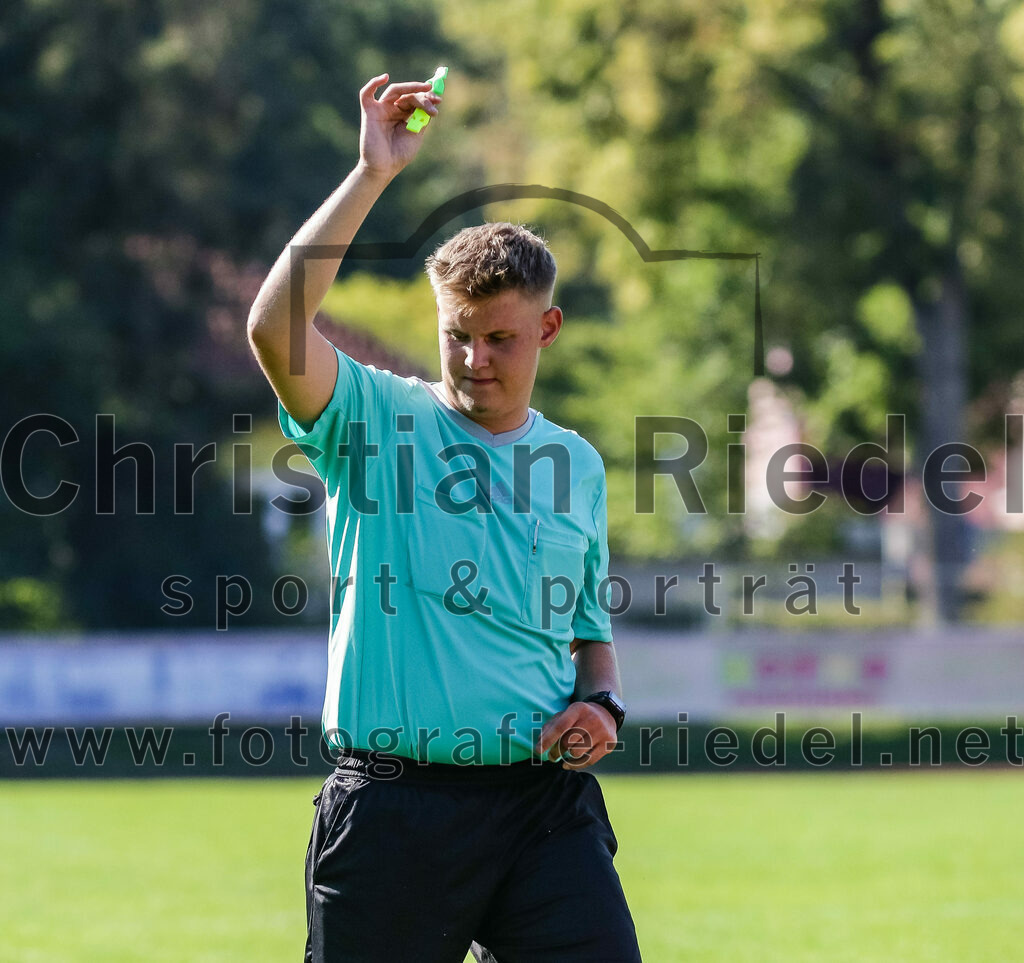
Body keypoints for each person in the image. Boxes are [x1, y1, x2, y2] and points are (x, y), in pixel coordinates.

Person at [247, 72, 641, 963]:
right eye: (457, 333)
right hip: (393, 810)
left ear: (547, 330)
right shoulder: (375, 418)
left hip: (543, 810)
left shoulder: (574, 465)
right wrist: (372, 175)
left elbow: (589, 633)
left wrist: (602, 702)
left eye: (499, 337)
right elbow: (274, 330)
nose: (473, 358)